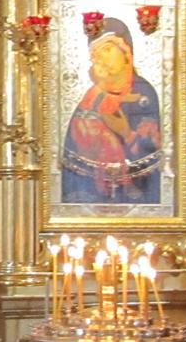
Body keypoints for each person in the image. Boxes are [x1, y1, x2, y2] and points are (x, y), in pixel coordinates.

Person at [61, 17, 162, 204]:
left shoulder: (144, 93)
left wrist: (125, 132)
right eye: (97, 54)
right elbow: (70, 153)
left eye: (107, 50)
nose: (103, 59)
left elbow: (155, 154)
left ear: (126, 51)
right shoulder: (90, 97)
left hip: (139, 195)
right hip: (89, 190)